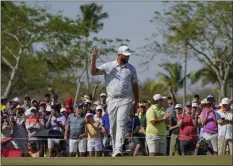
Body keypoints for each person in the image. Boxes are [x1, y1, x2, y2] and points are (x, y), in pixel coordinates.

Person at [90, 46, 139, 157]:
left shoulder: (131, 68)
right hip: (112, 99)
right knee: (113, 126)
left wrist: (136, 101)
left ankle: (118, 149)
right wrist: (93, 58)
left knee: (121, 123)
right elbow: (93, 72)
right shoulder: (109, 66)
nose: (127, 57)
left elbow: (135, 86)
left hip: (126, 99)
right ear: (119, 54)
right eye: (125, 55)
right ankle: (114, 147)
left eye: (128, 55)